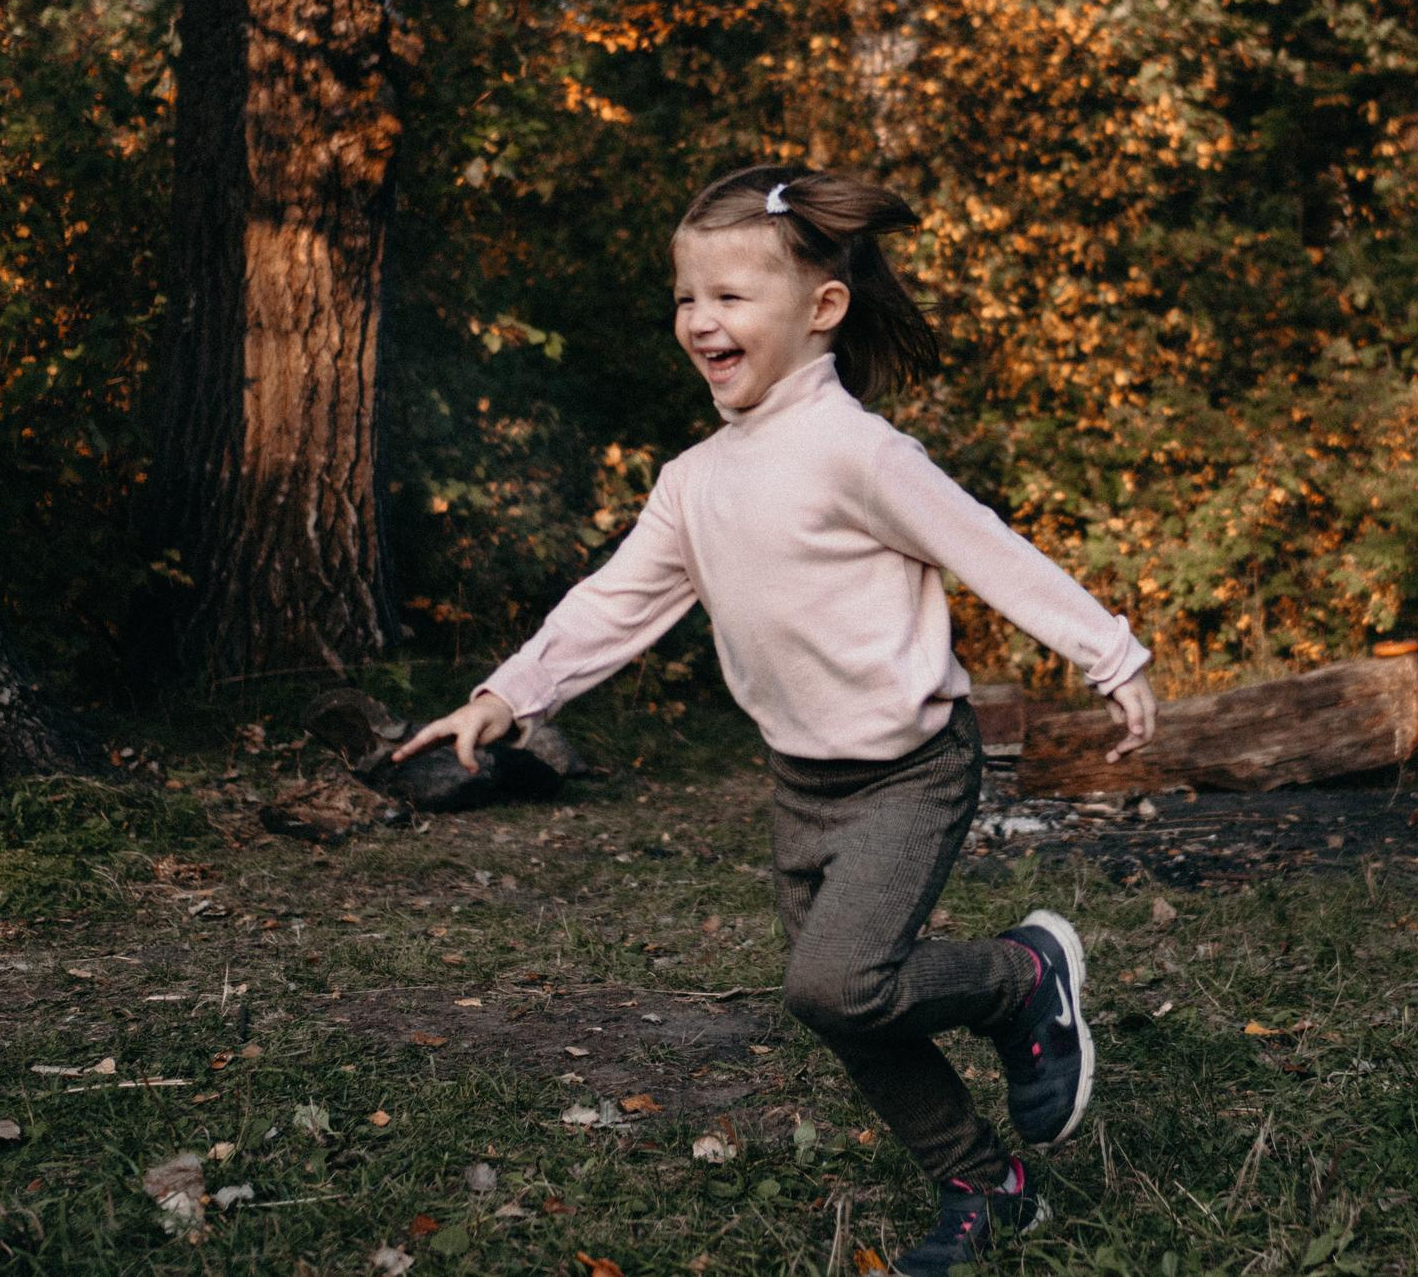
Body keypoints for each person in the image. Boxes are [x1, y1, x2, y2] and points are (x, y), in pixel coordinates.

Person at [395, 165, 1160, 1276]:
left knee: (837, 984)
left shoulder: (858, 452)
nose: (700, 320)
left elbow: (986, 547)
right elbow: (614, 603)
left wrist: (1109, 651)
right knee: (842, 1008)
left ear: (822, 308)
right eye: (686, 297)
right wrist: (508, 694)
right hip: (803, 786)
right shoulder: (693, 481)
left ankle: (1020, 979)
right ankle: (984, 1186)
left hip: (908, 772)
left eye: (730, 296)